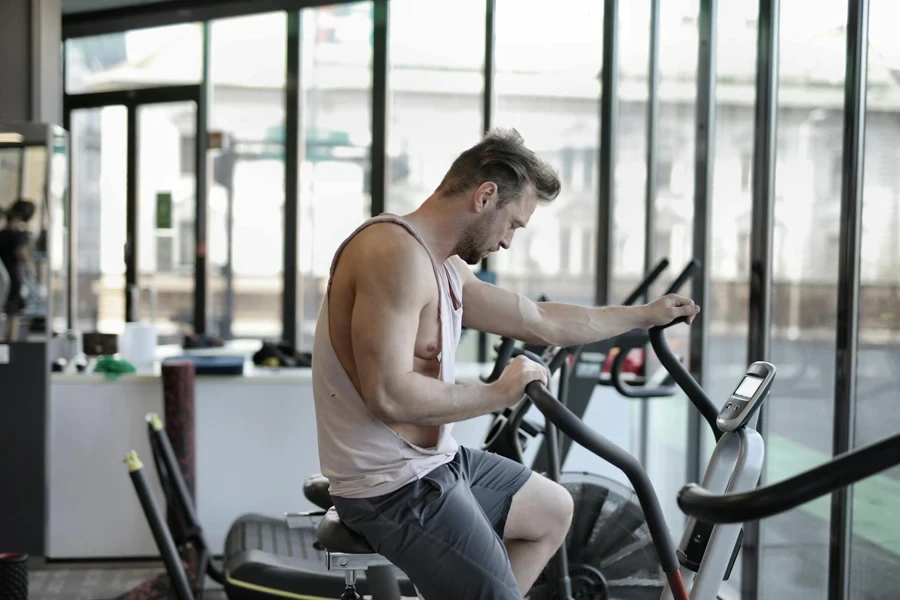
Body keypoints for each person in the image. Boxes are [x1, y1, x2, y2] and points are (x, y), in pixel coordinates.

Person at [312, 128, 700, 600]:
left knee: (552, 509)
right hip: (392, 490)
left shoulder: (443, 265)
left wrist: (642, 316)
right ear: (486, 196)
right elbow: (389, 395)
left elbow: (538, 320)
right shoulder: (392, 254)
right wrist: (499, 391)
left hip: (436, 465)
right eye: (513, 224)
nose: (509, 241)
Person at [0, 199, 35, 341]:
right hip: (12, 277)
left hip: (3, 278)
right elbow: (21, 253)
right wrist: (30, 265)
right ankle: (11, 345)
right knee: (13, 314)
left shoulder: (2, 233)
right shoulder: (18, 235)